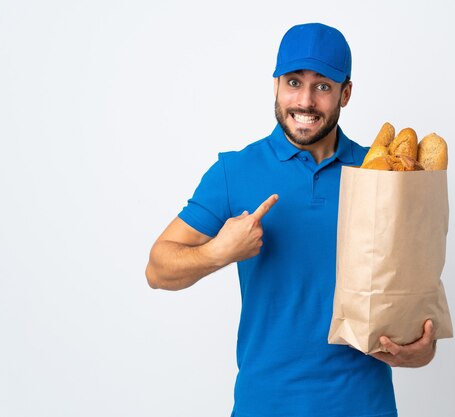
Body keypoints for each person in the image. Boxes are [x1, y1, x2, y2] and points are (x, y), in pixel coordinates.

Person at [146, 22, 437, 417]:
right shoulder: (235, 171)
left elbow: (414, 304)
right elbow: (157, 269)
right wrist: (219, 251)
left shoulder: (382, 174)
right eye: (293, 82)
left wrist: (418, 351)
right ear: (276, 86)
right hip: (265, 405)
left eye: (322, 86)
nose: (305, 101)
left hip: (364, 405)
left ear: (345, 93)